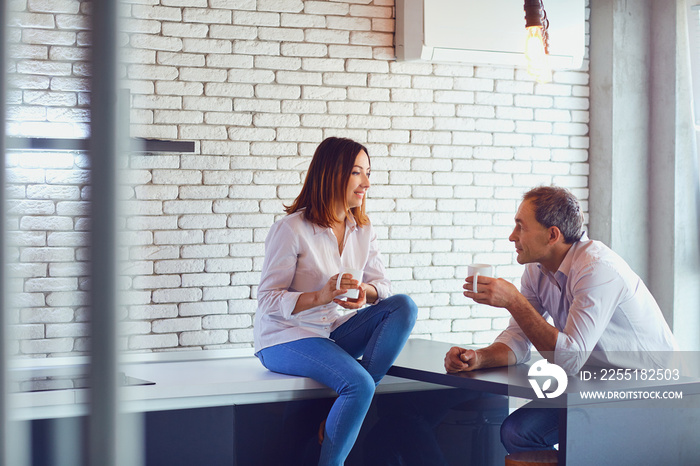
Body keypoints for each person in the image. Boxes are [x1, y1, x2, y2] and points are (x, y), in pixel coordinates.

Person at [444, 185, 678, 453]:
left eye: (521, 227)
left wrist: (513, 301)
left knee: (531, 433)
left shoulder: (596, 269)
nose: (512, 236)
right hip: (594, 381)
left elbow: (570, 359)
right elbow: (518, 341)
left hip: (648, 387)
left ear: (552, 234)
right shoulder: (536, 271)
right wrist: (478, 358)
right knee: (517, 432)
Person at [254, 136, 418, 466]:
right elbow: (268, 300)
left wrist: (365, 294)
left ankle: (336, 410)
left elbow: (381, 285)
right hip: (286, 337)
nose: (367, 183)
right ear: (332, 174)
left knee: (403, 306)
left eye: (368, 173)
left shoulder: (362, 229)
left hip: (332, 332)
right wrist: (321, 295)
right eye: (358, 173)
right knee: (358, 384)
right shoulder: (291, 229)